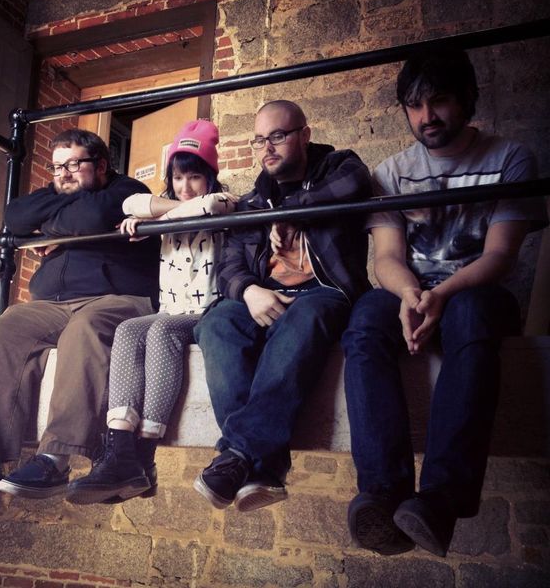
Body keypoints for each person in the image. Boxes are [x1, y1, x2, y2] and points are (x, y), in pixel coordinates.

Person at [343, 49, 548, 557]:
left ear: (467, 99)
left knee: (472, 314)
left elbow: (500, 256)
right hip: (411, 290)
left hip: (477, 292)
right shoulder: (391, 172)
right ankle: (383, 491)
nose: (426, 116)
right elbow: (386, 258)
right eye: (414, 106)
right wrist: (410, 294)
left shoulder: (510, 158)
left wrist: (442, 294)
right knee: (365, 318)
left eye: (438, 101)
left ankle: (440, 498)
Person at [0, 129, 161, 499]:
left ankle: (54, 459)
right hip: (51, 304)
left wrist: (52, 226)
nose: (62, 174)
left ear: (101, 165)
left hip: (116, 298)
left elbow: (93, 215)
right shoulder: (55, 190)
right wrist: (67, 219)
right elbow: (15, 216)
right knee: (1, 330)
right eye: (57, 166)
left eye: (73, 165)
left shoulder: (126, 190)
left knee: (84, 329)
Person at [193, 100, 372, 513]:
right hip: (266, 294)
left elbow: (355, 184)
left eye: (277, 136)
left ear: (304, 135)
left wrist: (295, 214)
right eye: (259, 140)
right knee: (217, 323)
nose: (267, 147)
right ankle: (265, 468)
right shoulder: (254, 202)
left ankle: (239, 452)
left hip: (325, 292)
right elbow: (229, 266)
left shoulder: (339, 167)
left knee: (304, 317)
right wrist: (249, 292)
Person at [66, 120, 238, 504]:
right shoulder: (167, 206)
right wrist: (155, 217)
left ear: (210, 176)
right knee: (129, 329)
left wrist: (156, 221)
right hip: (170, 308)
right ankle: (120, 452)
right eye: (177, 178)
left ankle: (145, 455)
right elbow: (129, 204)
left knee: (161, 333)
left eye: (194, 177)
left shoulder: (225, 203)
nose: (185, 187)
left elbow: (211, 206)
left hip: (206, 311)